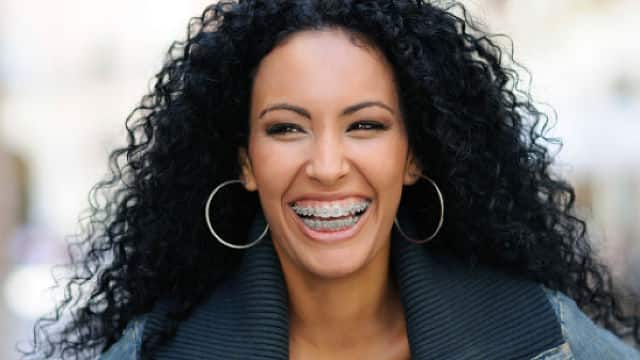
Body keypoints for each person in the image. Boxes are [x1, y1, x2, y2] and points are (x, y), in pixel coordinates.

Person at [24, 1, 640, 359]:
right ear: (244, 162)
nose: (325, 165)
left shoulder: (544, 338)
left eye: (365, 126)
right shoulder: (156, 352)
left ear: (413, 156)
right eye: (287, 129)